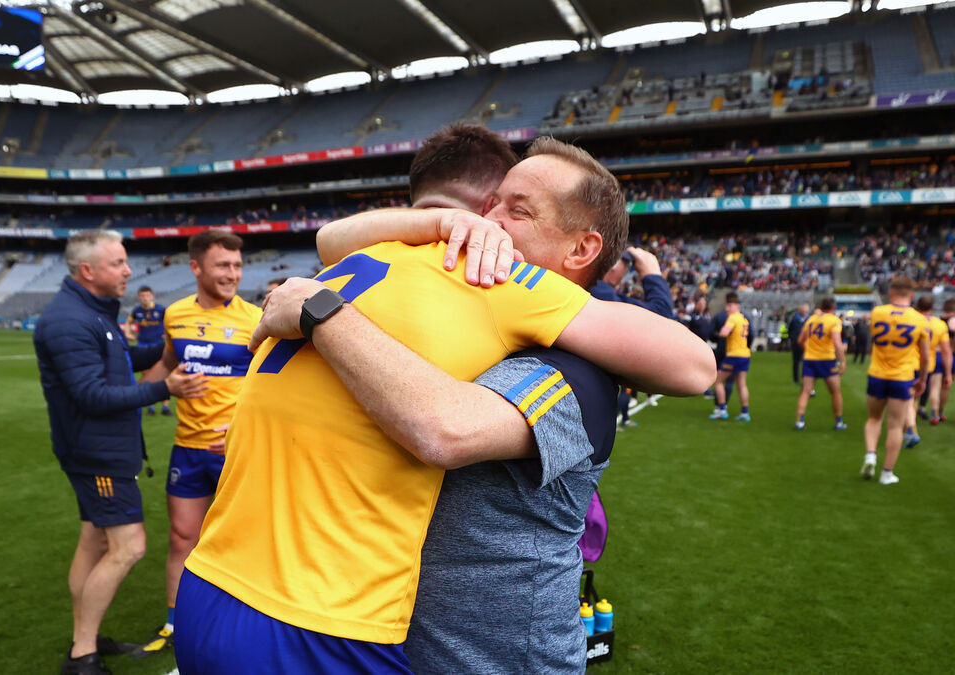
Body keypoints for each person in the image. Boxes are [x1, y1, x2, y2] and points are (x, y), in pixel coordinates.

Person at [173, 135, 716, 673]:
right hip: (331, 618)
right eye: (491, 204)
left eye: (518, 212)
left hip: (483, 656)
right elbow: (331, 240)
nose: (488, 221)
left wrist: (321, 312)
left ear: (580, 250)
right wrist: (438, 224)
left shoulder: (544, 326)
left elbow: (442, 427)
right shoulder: (460, 280)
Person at [33, 231, 205, 675]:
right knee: (129, 547)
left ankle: (85, 638)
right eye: (118, 263)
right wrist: (166, 388)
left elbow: (120, 358)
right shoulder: (70, 320)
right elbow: (92, 395)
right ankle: (82, 656)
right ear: (87, 271)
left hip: (97, 449)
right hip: (98, 455)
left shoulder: (90, 311)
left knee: (93, 541)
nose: (129, 271)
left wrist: (171, 347)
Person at [134, 230, 262, 657]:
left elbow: (273, 386)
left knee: (244, 540)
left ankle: (246, 621)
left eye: (237, 266)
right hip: (187, 448)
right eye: (223, 265)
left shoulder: (255, 319)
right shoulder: (175, 314)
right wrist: (132, 397)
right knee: (181, 537)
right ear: (196, 267)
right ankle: (175, 621)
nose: (233, 274)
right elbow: (168, 362)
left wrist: (244, 428)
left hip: (236, 450)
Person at [591, 247, 673, 428]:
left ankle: (625, 418)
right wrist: (652, 274)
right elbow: (662, 317)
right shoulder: (602, 294)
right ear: (612, 269)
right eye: (626, 266)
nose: (627, 272)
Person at [862, 276, 929, 486]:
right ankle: (886, 473)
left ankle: (870, 455)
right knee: (895, 427)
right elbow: (925, 357)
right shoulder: (919, 319)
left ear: (891, 293)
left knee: (874, 419)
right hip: (902, 376)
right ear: (912, 295)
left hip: (877, 374)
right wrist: (922, 380)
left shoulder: (877, 312)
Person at [794, 298, 847, 430]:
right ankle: (838, 422)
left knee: (805, 391)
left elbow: (800, 340)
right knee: (835, 392)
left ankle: (800, 421)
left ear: (822, 306)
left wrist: (808, 350)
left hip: (810, 359)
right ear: (834, 308)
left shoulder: (811, 319)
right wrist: (842, 361)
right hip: (826, 359)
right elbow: (837, 343)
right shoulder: (834, 321)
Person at [124, 286, 169, 416]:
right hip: (143, 345)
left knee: (163, 374)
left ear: (152, 296)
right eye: (142, 296)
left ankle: (165, 407)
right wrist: (127, 333)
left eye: (147, 295)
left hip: (158, 345)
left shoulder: (160, 310)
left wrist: (168, 334)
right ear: (139, 297)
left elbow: (170, 322)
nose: (145, 298)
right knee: (147, 375)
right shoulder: (137, 311)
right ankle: (151, 406)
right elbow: (128, 322)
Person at [710, 292, 752, 421]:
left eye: (729, 306)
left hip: (734, 355)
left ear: (734, 306)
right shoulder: (744, 319)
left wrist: (721, 333)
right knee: (741, 384)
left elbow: (724, 332)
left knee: (718, 381)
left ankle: (722, 410)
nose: (727, 309)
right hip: (745, 354)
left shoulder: (733, 318)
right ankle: (745, 412)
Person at [913, 296, 951, 431]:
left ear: (917, 306)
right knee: (934, 388)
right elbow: (946, 350)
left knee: (912, 397)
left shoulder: (912, 320)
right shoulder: (939, 324)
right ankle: (935, 414)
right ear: (932, 308)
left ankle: (910, 426)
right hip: (930, 362)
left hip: (912, 361)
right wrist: (948, 373)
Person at [788, 303, 809, 381]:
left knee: (806, 361)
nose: (804, 312)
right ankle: (795, 379)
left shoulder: (810, 319)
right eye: (802, 311)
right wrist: (792, 338)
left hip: (806, 343)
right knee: (796, 362)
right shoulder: (795, 319)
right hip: (796, 342)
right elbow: (790, 329)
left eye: (805, 311)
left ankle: (805, 377)